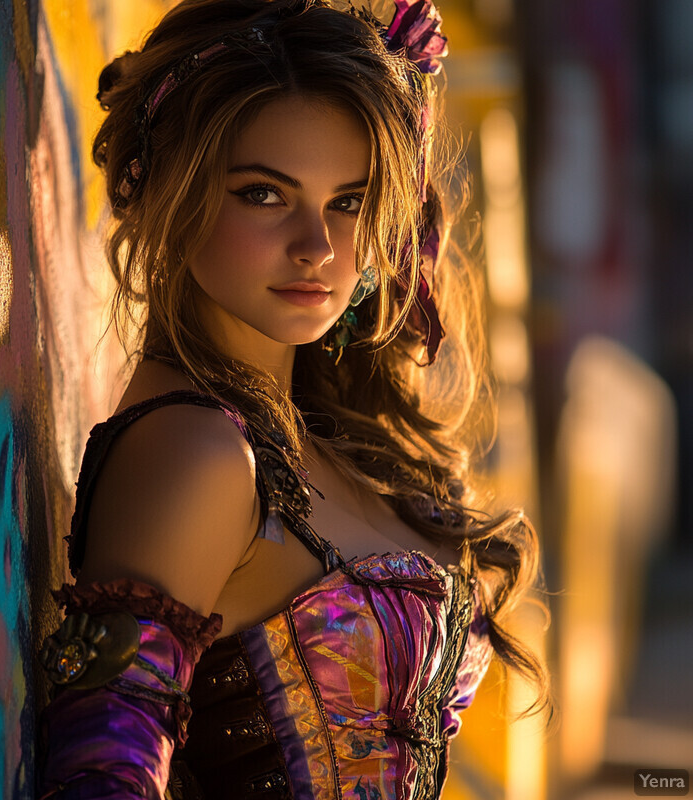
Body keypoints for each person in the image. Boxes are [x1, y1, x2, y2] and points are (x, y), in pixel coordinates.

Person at [37, 0, 550, 797]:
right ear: (172, 192)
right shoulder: (197, 456)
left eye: (348, 202)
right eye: (263, 194)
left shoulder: (313, 437)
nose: (317, 248)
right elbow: (102, 777)